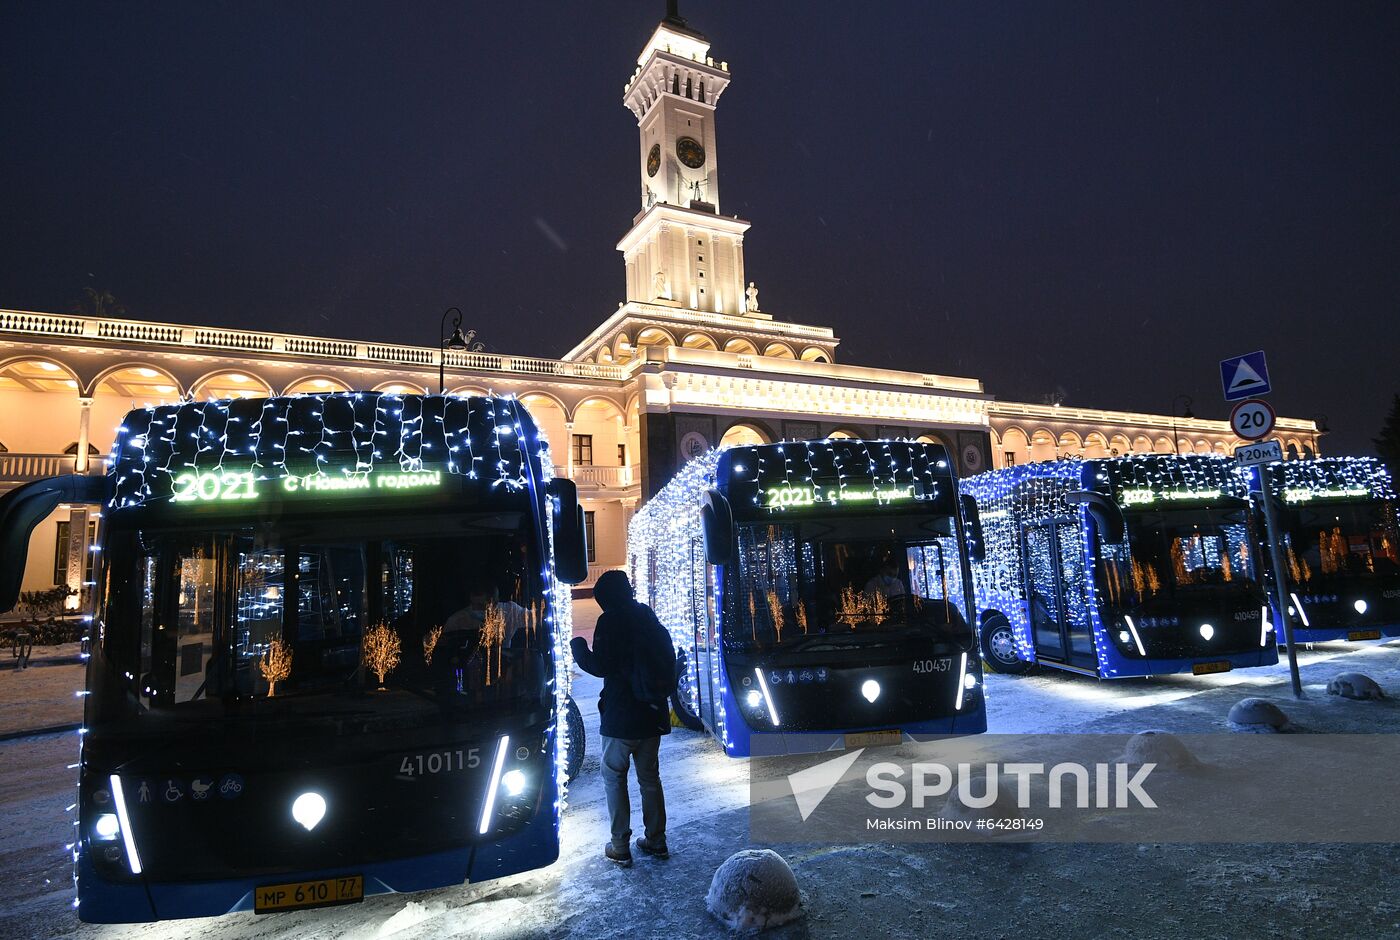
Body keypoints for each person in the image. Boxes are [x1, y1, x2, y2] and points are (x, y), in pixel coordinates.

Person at [571, 570, 671, 867]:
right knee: (649, 778)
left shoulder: (610, 620)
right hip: (652, 712)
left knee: (614, 777)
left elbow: (601, 665)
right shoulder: (646, 615)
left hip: (621, 714)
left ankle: (619, 845)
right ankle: (656, 839)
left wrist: (578, 648)